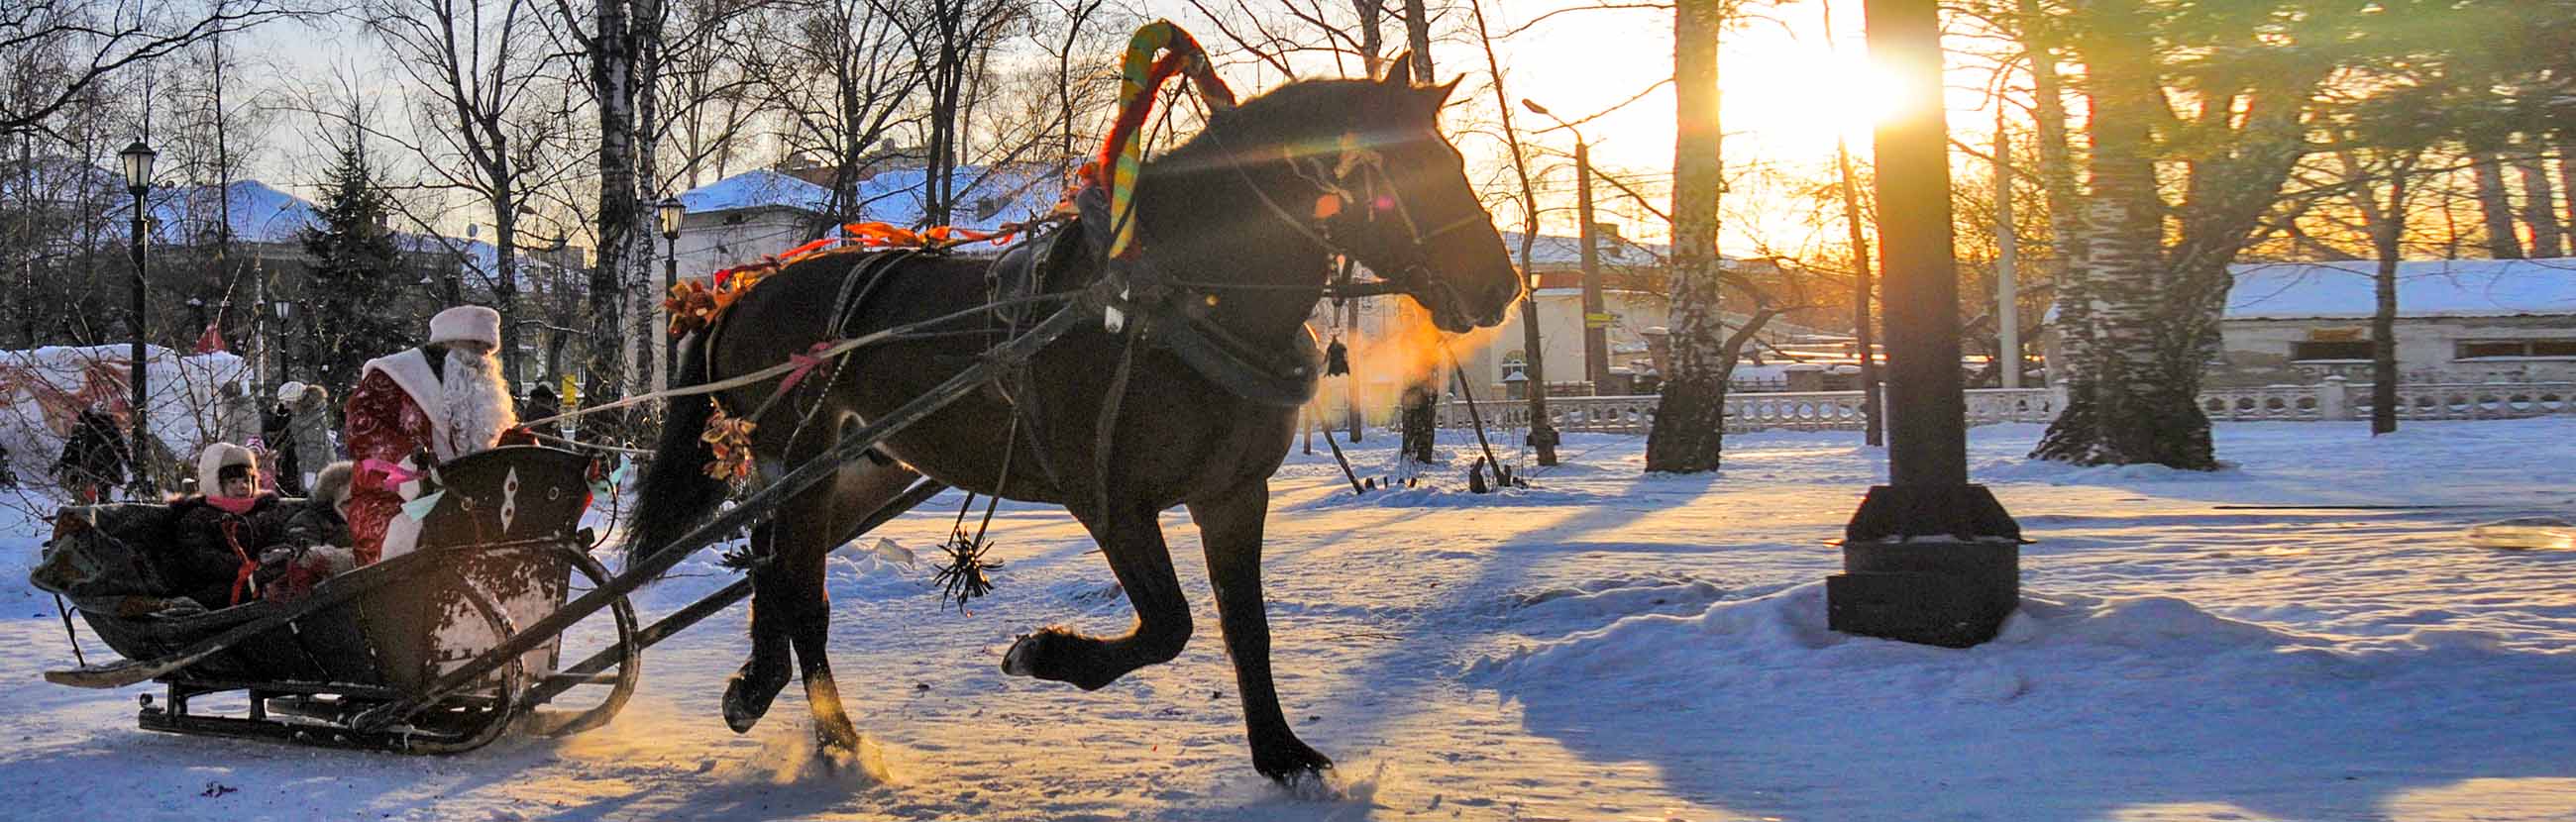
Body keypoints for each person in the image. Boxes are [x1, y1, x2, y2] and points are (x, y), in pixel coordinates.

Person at [343, 305, 518, 565]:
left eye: (486, 351)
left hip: (465, 502)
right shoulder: (395, 375)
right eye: (473, 347)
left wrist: (528, 451)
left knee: (513, 529)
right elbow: (363, 432)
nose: (481, 359)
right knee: (436, 534)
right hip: (394, 502)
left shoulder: (482, 395)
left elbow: (503, 442)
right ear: (448, 345)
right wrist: (415, 474)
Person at [163, 443, 285, 609]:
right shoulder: (198, 517)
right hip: (213, 588)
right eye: (233, 481)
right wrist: (244, 568)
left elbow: (276, 538)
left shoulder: (263, 512)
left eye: (246, 480)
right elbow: (201, 557)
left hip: (259, 579)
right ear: (215, 483)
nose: (242, 486)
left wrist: (273, 559)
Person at [256, 461, 357, 602]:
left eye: (360, 501)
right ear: (330, 501)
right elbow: (305, 560)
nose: (354, 508)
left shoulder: (370, 521)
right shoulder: (305, 522)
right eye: (347, 503)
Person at [53, 408, 128, 503]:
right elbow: (120, 446)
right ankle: (102, 502)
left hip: (93, 465)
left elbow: (85, 450)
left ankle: (93, 503)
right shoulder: (109, 425)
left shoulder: (89, 430)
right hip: (108, 463)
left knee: (90, 486)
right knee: (103, 486)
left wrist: (60, 464)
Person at [284, 382, 336, 494]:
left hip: (320, 467)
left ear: (296, 400)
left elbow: (316, 447)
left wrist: (310, 473)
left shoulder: (311, 419)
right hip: (310, 464)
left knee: (319, 499)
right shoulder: (302, 416)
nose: (285, 406)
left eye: (287, 402)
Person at [263, 383, 302, 495]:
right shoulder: (287, 414)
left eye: (288, 403)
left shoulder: (299, 418)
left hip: (295, 458)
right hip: (287, 456)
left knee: (293, 482)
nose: (285, 406)